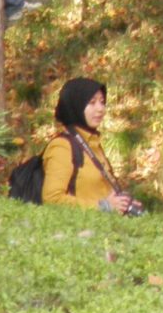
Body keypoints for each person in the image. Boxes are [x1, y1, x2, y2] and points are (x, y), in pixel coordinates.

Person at [41, 78, 140, 214]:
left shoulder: (93, 143)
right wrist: (103, 207)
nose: (100, 109)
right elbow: (52, 199)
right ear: (76, 105)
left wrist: (122, 203)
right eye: (92, 103)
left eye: (102, 102)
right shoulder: (62, 147)